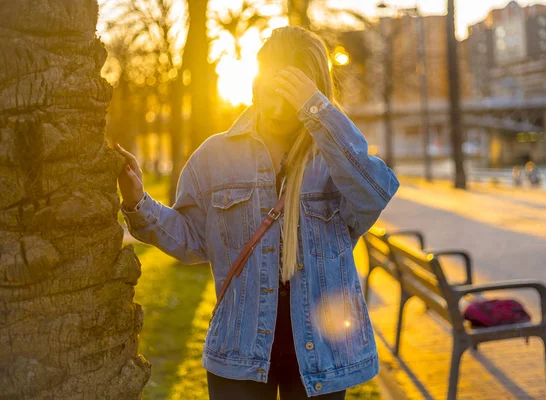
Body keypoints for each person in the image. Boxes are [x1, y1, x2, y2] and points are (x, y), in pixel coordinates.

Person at [115, 26, 399, 400]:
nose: (278, 101)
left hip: (321, 355)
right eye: (270, 83)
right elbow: (191, 239)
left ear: (313, 90)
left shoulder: (336, 160)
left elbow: (375, 193)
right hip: (239, 351)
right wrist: (138, 201)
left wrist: (317, 112)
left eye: (291, 89)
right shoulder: (216, 156)